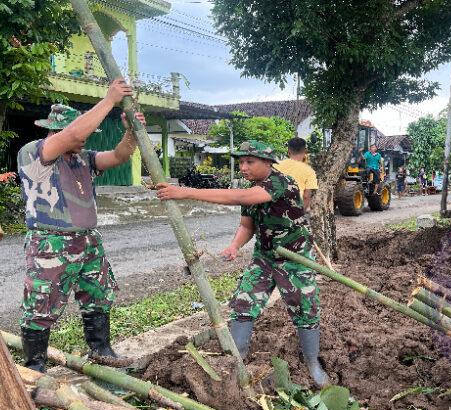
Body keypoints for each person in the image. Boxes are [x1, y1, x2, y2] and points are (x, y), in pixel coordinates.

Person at [155, 140, 329, 387]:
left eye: (250, 162)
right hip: (265, 257)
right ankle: (237, 360)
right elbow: (247, 226)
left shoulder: (281, 182)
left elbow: (239, 197)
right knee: (244, 302)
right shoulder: (253, 188)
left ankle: (313, 363)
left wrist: (185, 192)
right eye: (241, 162)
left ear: (268, 163)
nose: (244, 167)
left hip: (294, 258)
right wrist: (235, 246)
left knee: (304, 309)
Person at [16, 78, 145, 372]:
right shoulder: (35, 153)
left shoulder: (82, 159)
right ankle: (35, 365)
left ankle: (101, 349)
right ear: (56, 131)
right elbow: (74, 132)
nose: (86, 138)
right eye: (83, 133)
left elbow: (120, 155)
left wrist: (130, 132)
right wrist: (109, 99)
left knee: (97, 296)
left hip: (88, 241)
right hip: (51, 243)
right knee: (41, 305)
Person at [275, 137, 318, 211]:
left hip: (275, 208)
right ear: (305, 151)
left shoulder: (275, 166)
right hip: (295, 209)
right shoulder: (310, 171)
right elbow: (306, 196)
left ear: (288, 151)